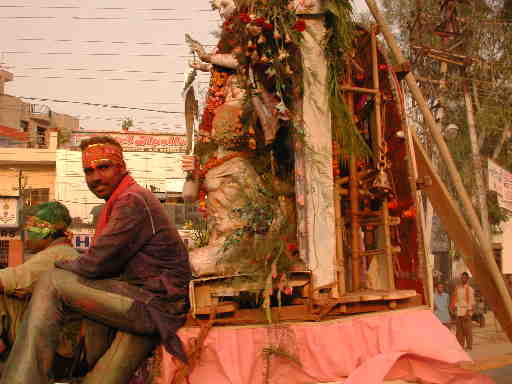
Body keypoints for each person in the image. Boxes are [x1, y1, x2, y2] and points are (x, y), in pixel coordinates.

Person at [0, 136, 191, 384]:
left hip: (152, 305)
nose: (95, 177)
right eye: (89, 171)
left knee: (52, 280)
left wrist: (60, 265)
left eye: (103, 167)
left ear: (121, 167)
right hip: (143, 303)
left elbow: (95, 265)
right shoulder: (123, 200)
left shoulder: (132, 200)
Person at [0, 202, 80, 359]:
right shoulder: (66, 252)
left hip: (57, 340)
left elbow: (9, 280)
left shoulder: (56, 255)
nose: (27, 237)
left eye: (30, 231)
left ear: (45, 231)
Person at [450, 271, 475, 350]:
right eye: (462, 278)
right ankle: (460, 346)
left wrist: (468, 312)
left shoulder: (470, 289)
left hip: (466, 312)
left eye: (465, 278)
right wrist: (454, 309)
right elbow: (455, 299)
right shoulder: (458, 288)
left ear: (467, 279)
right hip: (459, 311)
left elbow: (471, 301)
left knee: (467, 331)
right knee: (459, 331)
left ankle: (469, 346)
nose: (463, 279)